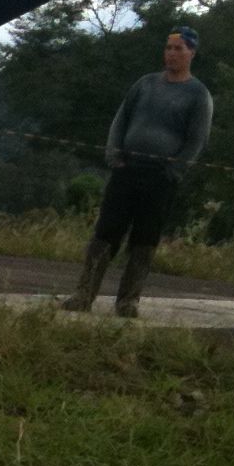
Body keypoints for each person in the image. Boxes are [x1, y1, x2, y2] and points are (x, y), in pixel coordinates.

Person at [63, 26, 212, 318]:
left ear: (191, 53)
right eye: (168, 48)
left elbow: (197, 139)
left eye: (178, 49)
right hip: (127, 169)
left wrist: (175, 170)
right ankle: (84, 294)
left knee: (144, 240)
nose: (171, 54)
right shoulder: (145, 84)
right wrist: (113, 152)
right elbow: (121, 119)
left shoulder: (198, 94)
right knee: (105, 234)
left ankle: (128, 301)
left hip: (160, 177)